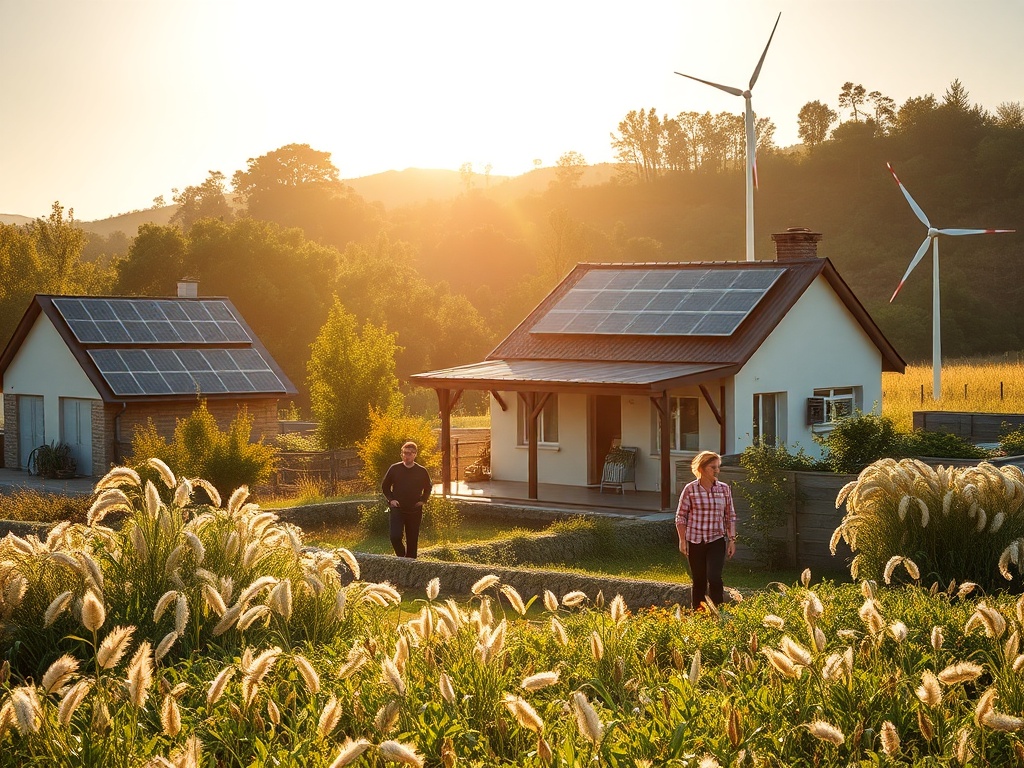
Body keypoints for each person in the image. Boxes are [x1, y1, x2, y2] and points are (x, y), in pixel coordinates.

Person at [675, 450, 736, 610]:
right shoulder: (690, 489)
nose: (717, 471)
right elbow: (681, 516)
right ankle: (699, 615)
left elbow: (730, 516)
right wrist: (682, 540)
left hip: (716, 540)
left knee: (714, 577)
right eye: (713, 467)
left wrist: (732, 540)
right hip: (695, 541)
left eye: (718, 467)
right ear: (701, 469)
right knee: (699, 580)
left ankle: (718, 613)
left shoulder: (724, 489)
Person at [381, 441, 432, 558]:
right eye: (404, 453)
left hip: (414, 510)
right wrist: (391, 500)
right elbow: (385, 486)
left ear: (415, 454)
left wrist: (423, 500)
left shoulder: (421, 471)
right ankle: (402, 558)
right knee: (395, 537)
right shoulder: (394, 468)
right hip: (397, 508)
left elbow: (428, 487)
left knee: (412, 540)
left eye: (409, 453)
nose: (406, 456)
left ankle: (410, 564)